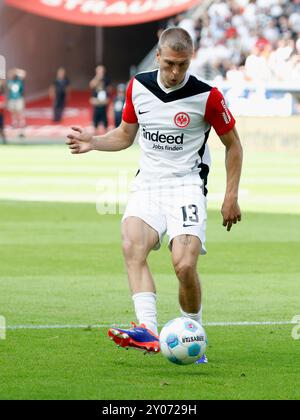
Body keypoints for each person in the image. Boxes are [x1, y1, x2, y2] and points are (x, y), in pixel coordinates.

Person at [66, 28, 243, 364]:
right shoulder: (139, 87)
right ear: (159, 56)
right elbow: (124, 135)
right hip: (148, 183)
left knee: (185, 264)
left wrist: (230, 196)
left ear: (191, 59)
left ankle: (193, 331)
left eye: (183, 64)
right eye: (171, 64)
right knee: (132, 243)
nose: (176, 72)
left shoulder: (208, 95)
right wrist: (94, 142)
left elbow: (233, 144)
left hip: (187, 184)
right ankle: (147, 329)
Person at [7, 68, 26, 137]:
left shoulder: (19, 81)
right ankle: (14, 123)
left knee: (20, 112)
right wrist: (13, 71)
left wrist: (17, 71)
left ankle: (22, 124)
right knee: (13, 112)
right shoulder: (10, 82)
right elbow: (9, 74)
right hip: (12, 99)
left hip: (19, 98)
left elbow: (23, 74)